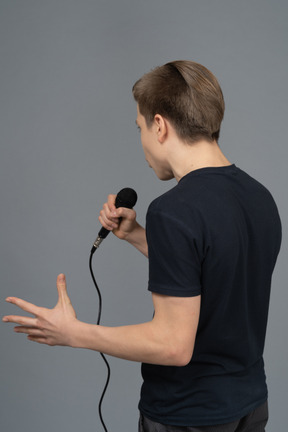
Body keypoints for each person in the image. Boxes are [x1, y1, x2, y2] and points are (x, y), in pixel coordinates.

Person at [2, 61, 282, 432]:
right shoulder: (259, 196)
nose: (142, 142)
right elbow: (215, 270)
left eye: (140, 127)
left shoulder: (175, 209)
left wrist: (74, 333)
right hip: (249, 407)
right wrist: (137, 235)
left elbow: (172, 345)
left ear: (160, 125)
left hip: (188, 416)